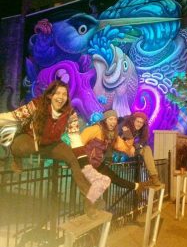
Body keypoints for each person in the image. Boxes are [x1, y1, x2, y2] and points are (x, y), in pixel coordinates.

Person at [0, 80, 110, 215]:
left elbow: (75, 139)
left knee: (73, 158)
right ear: (50, 95)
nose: (61, 97)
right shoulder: (36, 105)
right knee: (19, 147)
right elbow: (13, 117)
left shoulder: (70, 113)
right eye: (57, 93)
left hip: (52, 144)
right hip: (31, 139)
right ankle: (17, 159)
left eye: (64, 94)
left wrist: (85, 164)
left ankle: (90, 200)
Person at [79, 109, 151, 194]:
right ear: (105, 120)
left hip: (97, 164)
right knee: (92, 188)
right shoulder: (96, 129)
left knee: (114, 178)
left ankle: (137, 186)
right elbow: (79, 143)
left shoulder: (112, 135)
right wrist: (81, 162)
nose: (113, 121)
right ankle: (94, 205)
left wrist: (128, 134)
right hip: (85, 164)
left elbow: (125, 147)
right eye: (110, 119)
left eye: (115, 119)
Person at [119, 112, 162, 186]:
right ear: (133, 121)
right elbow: (128, 139)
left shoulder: (143, 131)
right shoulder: (125, 126)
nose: (139, 124)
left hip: (131, 152)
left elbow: (143, 143)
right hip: (120, 151)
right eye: (137, 121)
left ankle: (154, 176)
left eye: (141, 123)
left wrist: (135, 147)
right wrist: (132, 146)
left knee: (147, 149)